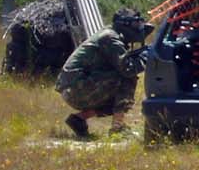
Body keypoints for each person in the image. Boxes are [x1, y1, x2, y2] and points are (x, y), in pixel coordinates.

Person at [55, 8, 150, 139]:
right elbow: (128, 69)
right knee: (127, 79)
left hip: (73, 88)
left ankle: (78, 119)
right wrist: (146, 56)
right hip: (75, 88)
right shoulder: (110, 37)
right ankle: (118, 128)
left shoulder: (112, 35)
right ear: (124, 24)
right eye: (135, 24)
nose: (138, 28)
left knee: (118, 100)